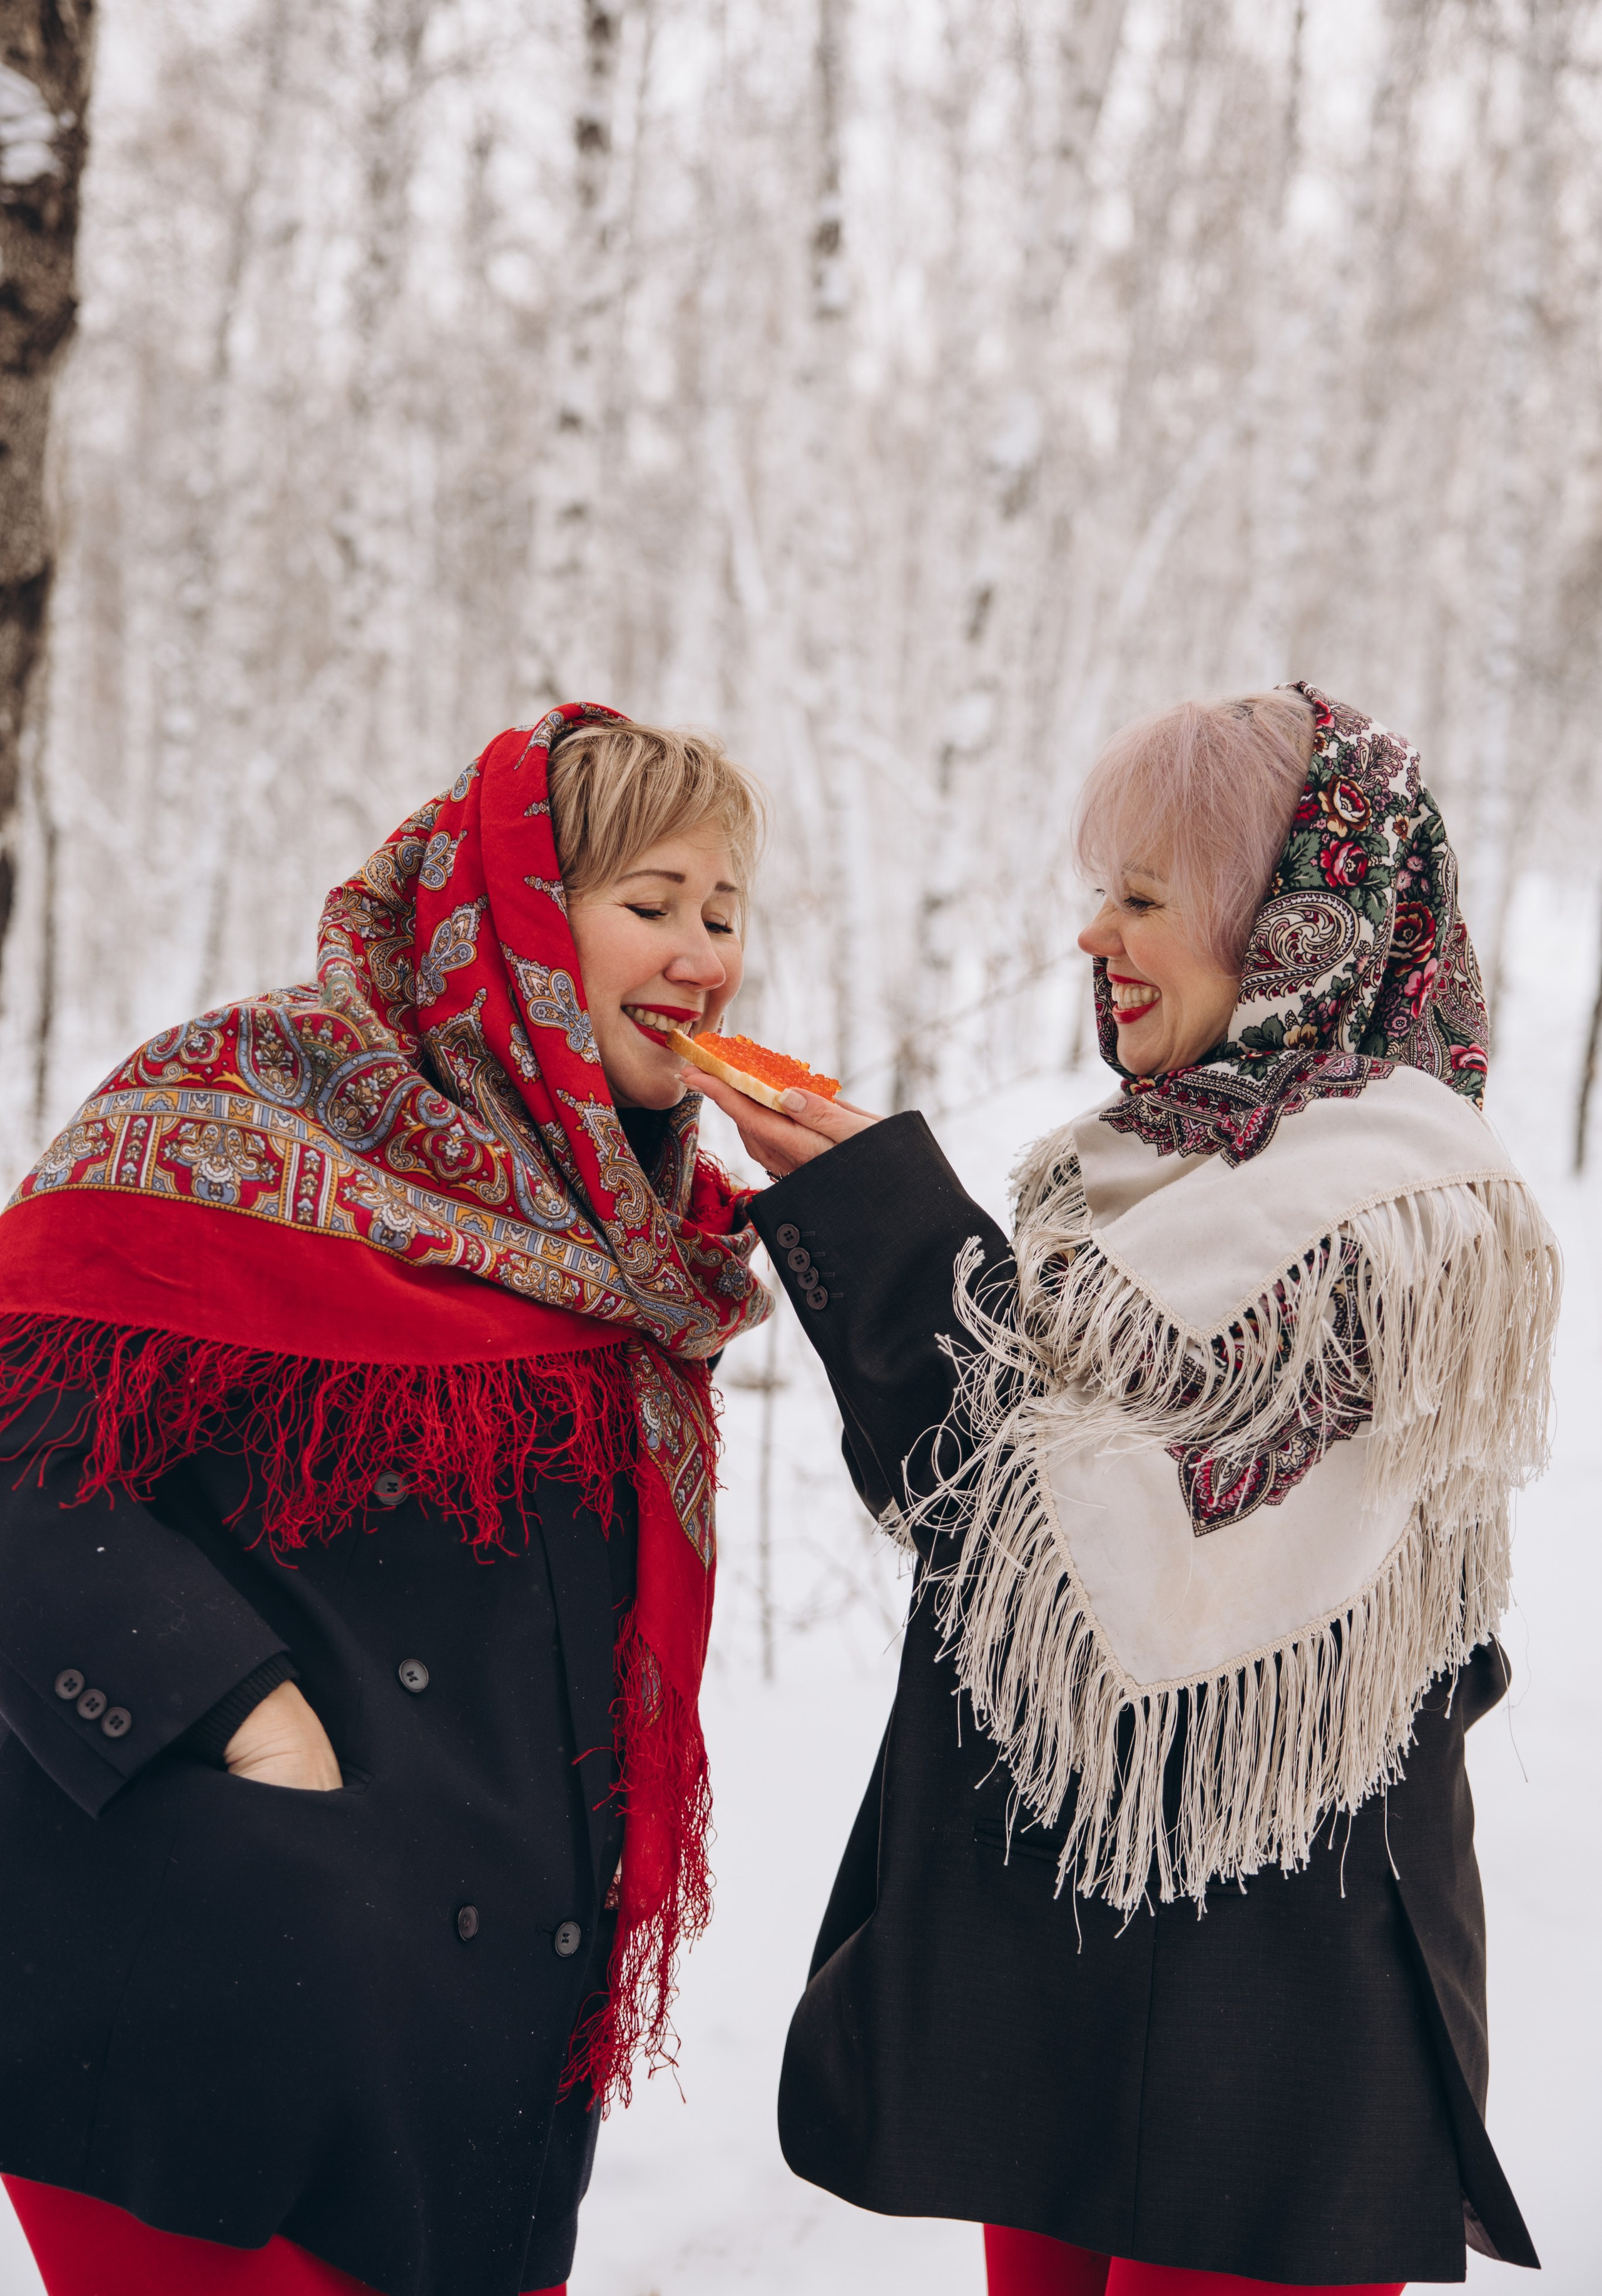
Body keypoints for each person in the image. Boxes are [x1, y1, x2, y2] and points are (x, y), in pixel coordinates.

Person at [689, 684, 1556, 2296]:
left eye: (1143, 896)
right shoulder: (1147, 1169)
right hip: (1074, 1959)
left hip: (1263, 2006)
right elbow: (980, 1519)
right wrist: (876, 1216)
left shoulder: (1392, 1209)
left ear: (1288, 926)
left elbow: (1122, 1563)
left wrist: (891, 1228)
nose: (1093, 930)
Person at [0, 707, 772, 2296]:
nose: (701, 953)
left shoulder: (636, 1230)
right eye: (650, 903)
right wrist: (244, 1723)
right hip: (195, 1977)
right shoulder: (236, 1104)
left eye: (724, 910)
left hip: (477, 2044)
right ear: (519, 921)